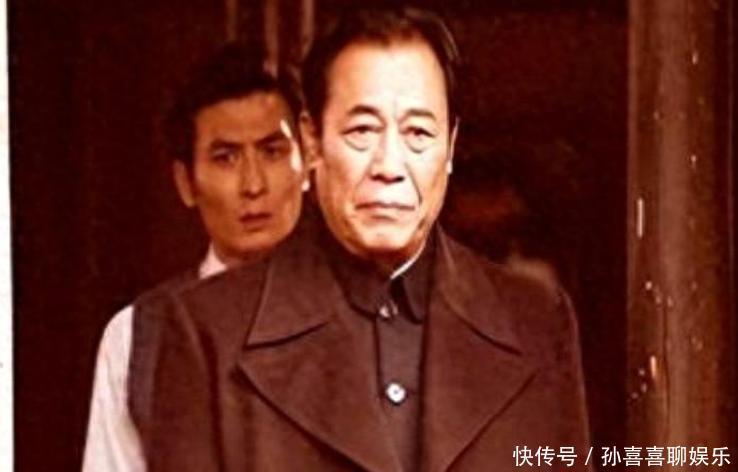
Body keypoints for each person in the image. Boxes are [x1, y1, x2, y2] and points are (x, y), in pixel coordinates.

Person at [147, 7, 591, 471]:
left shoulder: (535, 322)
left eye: (418, 133)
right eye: (362, 131)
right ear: (312, 141)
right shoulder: (209, 332)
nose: (389, 166)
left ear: (451, 146)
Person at [81, 43, 306, 472]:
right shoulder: (138, 336)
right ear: (186, 182)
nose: (253, 184)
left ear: (308, 162)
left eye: (272, 151)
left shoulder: (356, 310)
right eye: (226, 158)